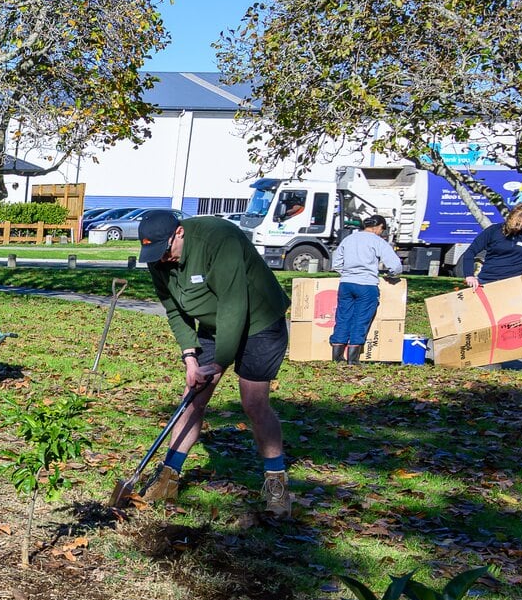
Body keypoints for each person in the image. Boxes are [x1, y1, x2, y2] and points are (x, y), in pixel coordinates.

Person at [138, 208, 295, 517]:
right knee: (191, 400)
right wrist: (190, 358)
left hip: (259, 324)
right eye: (154, 253)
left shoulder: (217, 239)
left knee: (253, 403)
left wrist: (220, 363)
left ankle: (276, 484)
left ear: (179, 233)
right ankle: (168, 478)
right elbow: (175, 312)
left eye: (165, 249)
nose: (162, 258)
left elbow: (234, 304)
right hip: (213, 328)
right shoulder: (158, 259)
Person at [328, 214, 403, 363]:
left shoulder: (348, 239)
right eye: (382, 229)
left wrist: (348, 273)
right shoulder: (377, 241)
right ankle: (353, 359)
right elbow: (395, 266)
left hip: (346, 284)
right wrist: (391, 274)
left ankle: (337, 356)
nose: (382, 232)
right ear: (379, 227)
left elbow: (336, 263)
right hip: (367, 285)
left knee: (343, 317)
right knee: (361, 319)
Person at [458, 202, 522, 286]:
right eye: (521, 222)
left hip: (515, 282)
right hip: (487, 281)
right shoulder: (494, 231)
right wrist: (469, 276)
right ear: (513, 218)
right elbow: (470, 252)